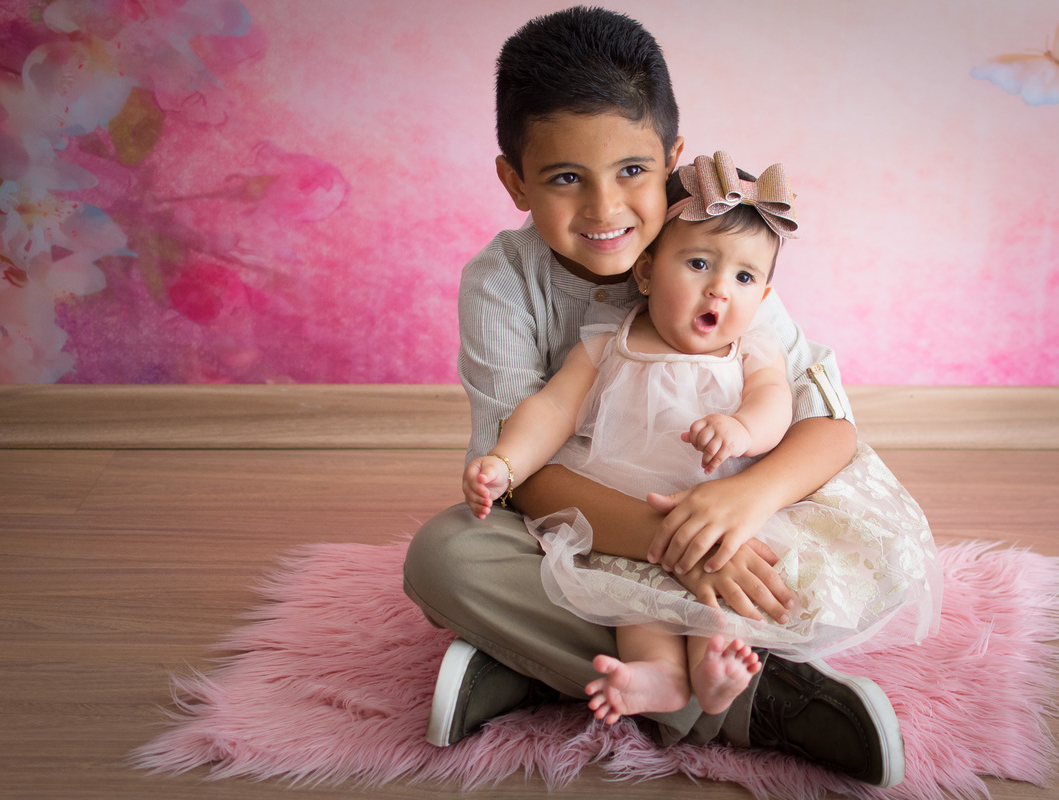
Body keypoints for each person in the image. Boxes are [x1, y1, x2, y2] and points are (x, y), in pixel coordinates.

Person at [402, 6, 929, 788]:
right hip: (587, 521)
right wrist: (676, 547)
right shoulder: (503, 283)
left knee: (817, 553)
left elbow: (827, 427)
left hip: (730, 510)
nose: (606, 210)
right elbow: (524, 471)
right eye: (565, 178)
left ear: (672, 158)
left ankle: (532, 665)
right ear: (515, 181)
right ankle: (754, 705)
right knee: (444, 557)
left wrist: (740, 504)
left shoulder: (716, 248)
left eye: (632, 171)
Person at [461, 153, 939, 729]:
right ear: (645, 272)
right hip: (628, 517)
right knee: (635, 598)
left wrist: (741, 429)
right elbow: (552, 409)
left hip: (724, 514)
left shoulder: (753, 349)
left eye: (744, 279)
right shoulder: (607, 343)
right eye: (697, 264)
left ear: (763, 297)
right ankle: (662, 677)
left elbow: (774, 405)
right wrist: (505, 462)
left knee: (726, 594)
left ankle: (715, 672)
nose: (719, 289)